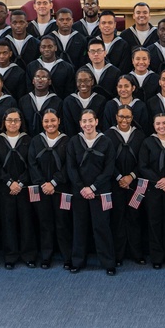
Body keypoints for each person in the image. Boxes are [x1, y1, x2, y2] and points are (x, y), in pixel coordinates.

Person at [65, 109, 117, 275]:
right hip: (79, 192)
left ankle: (108, 262)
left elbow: (109, 169)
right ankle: (77, 261)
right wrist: (82, 188)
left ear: (96, 122)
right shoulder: (73, 142)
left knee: (102, 227)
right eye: (84, 121)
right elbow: (71, 168)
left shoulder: (106, 142)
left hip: (100, 191)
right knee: (79, 226)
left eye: (90, 120)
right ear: (80, 124)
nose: (87, 124)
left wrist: (93, 187)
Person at [27, 109, 72, 269]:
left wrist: (54, 182)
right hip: (42, 190)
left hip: (62, 190)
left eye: (53, 120)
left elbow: (69, 166)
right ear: (42, 123)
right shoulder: (36, 141)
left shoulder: (67, 141)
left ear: (59, 121)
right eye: (46, 121)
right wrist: (43, 184)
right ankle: (46, 256)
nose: (50, 124)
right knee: (45, 223)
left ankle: (67, 256)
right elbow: (32, 164)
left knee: (63, 223)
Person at [0, 107, 36, 269]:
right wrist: (9, 182)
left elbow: (32, 165)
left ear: (21, 122)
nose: (13, 123)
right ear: (4, 122)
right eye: (9, 120)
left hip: (24, 189)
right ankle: (10, 256)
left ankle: (28, 255)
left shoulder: (28, 140)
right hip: (5, 190)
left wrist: (20, 183)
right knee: (7, 222)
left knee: (27, 222)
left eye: (16, 120)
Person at [106, 105, 146, 267]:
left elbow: (143, 161)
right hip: (115, 184)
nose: (124, 120)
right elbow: (107, 161)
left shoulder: (140, 135)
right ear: (116, 117)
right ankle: (119, 255)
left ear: (132, 118)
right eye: (121, 117)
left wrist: (131, 176)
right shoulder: (108, 135)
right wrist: (119, 177)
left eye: (127, 117)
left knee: (135, 218)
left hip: (135, 185)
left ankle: (137, 253)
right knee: (118, 218)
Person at [138, 113, 165, 269]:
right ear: (154, 126)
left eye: (164, 123)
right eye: (158, 124)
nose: (161, 126)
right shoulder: (148, 142)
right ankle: (156, 256)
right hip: (153, 189)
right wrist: (161, 182)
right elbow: (143, 166)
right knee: (154, 222)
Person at [60, 68, 107, 136]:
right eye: (79, 81)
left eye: (86, 81)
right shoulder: (68, 101)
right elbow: (68, 127)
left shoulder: (100, 100)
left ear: (92, 82)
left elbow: (101, 125)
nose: (82, 84)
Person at [25, 34, 75, 99]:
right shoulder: (31, 67)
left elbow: (69, 91)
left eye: (50, 46)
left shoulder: (67, 68)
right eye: (43, 47)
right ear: (40, 48)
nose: (46, 49)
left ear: (55, 48)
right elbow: (29, 88)